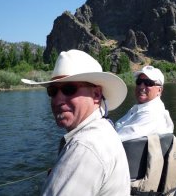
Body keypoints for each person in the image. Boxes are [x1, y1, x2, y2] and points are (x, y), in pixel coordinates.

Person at [21, 49, 130, 196]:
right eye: (52, 91)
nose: (57, 100)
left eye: (69, 89)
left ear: (97, 94)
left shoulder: (85, 147)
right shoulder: (103, 130)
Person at [115, 65, 174, 141]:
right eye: (139, 82)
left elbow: (116, 140)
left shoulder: (152, 114)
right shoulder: (139, 108)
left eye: (148, 83)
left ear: (160, 90)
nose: (141, 87)